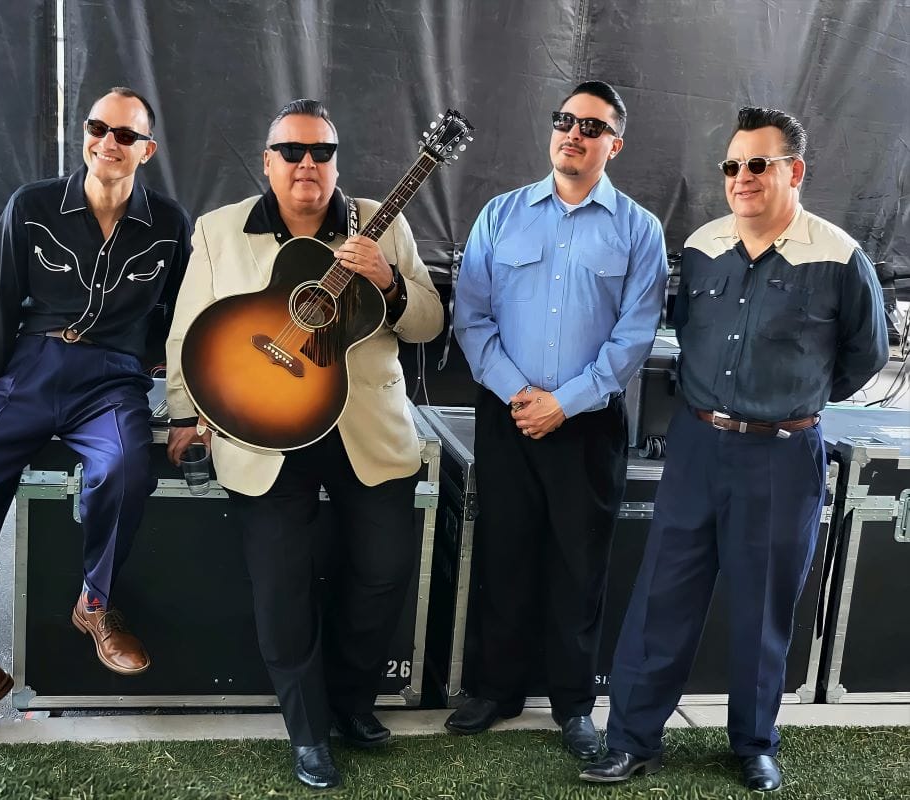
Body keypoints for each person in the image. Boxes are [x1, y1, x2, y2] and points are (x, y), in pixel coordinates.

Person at [581, 107, 889, 791]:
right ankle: (631, 739)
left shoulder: (839, 257)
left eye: (757, 164)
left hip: (782, 455)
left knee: (762, 608)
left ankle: (753, 744)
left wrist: (790, 400)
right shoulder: (701, 247)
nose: (740, 177)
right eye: (731, 166)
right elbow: (686, 330)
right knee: (662, 597)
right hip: (696, 447)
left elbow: (864, 357)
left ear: (794, 171)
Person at [164, 98, 443, 790]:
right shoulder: (219, 230)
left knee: (382, 573)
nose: (306, 164)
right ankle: (309, 732)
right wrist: (185, 415)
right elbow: (187, 331)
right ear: (268, 161)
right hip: (263, 428)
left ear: (336, 162)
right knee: (281, 586)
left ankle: (349, 703)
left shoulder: (382, 224)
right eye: (291, 151)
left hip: (365, 429)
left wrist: (386, 280)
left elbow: (429, 323)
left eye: (321, 151)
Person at [0, 87, 192, 754]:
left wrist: (186, 400)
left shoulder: (168, 223)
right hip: (29, 370)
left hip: (114, 379)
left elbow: (186, 315)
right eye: (98, 127)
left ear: (147, 150)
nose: (107, 142)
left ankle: (94, 605)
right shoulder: (34, 206)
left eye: (125, 135)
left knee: (126, 469)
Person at [448, 81, 668, 758]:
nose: (574, 133)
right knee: (504, 553)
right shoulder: (500, 215)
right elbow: (471, 317)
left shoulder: (639, 230)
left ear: (614, 145)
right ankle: (495, 689)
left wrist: (564, 402)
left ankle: (573, 705)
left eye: (591, 126)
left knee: (580, 566)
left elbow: (633, 337)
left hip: (588, 424)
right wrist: (521, 394)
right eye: (565, 120)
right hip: (509, 416)